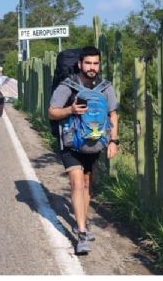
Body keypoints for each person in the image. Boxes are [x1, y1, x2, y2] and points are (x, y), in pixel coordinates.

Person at [47, 46, 119, 254]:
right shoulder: (67, 87)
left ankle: (82, 223)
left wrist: (113, 141)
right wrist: (71, 110)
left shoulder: (105, 88)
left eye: (95, 63)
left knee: (87, 184)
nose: (92, 67)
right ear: (80, 64)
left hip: (94, 143)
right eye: (88, 63)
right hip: (70, 144)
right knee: (77, 183)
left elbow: (112, 114)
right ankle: (81, 232)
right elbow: (51, 112)